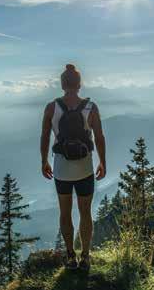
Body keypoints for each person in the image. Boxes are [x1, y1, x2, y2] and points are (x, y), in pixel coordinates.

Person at [40, 64, 106, 271]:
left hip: (61, 169)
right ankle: (85, 256)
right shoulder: (90, 107)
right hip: (85, 168)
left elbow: (44, 136)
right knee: (85, 212)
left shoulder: (52, 107)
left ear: (62, 84)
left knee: (65, 212)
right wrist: (103, 162)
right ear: (80, 84)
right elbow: (99, 136)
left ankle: (70, 257)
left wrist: (44, 161)